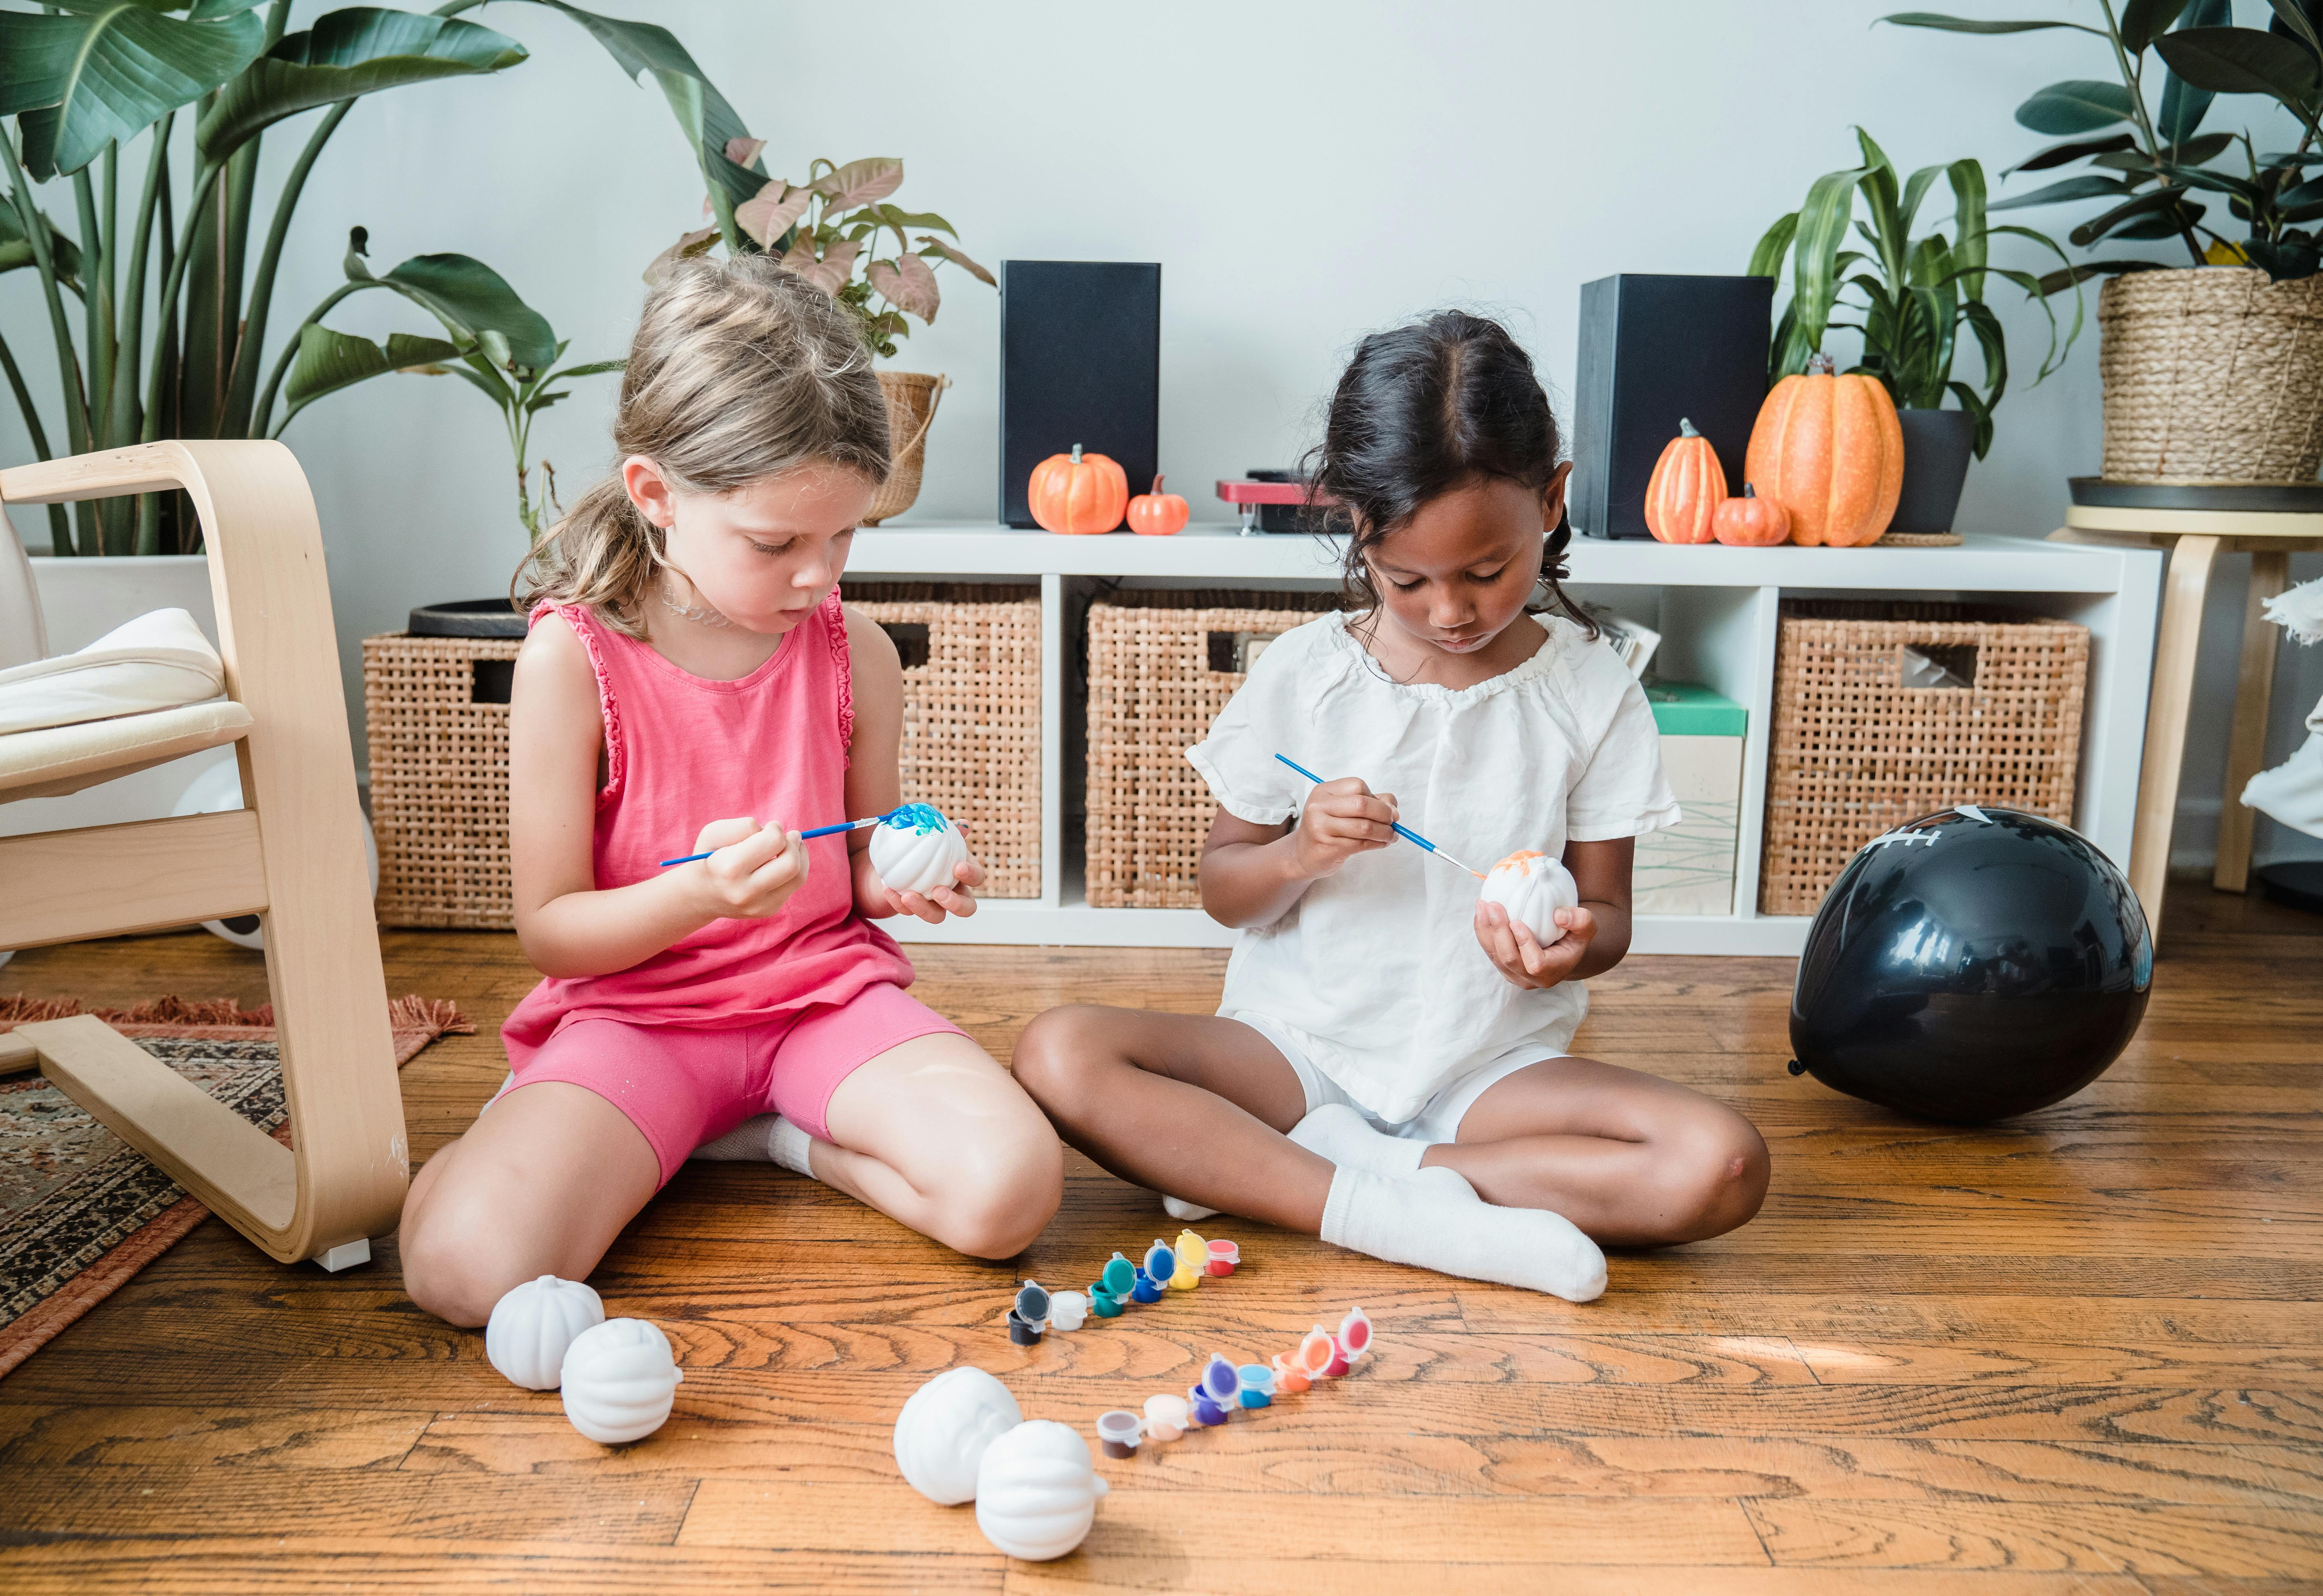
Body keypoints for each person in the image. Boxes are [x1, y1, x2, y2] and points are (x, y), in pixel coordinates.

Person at [1012, 312, 1768, 1301]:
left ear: (1552, 499)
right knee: (1059, 1052)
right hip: (1297, 1052)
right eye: (1406, 578)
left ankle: (1360, 1178)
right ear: (1356, 529)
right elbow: (1223, 889)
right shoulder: (1307, 676)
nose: (1450, 610)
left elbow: (1611, 915)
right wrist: (1298, 854)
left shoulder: (1591, 690)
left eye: (1487, 572)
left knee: (1721, 1162)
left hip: (1490, 1069)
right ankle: (1378, 1210)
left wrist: (1570, 944)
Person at [402, 256, 1061, 1325]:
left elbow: (850, 870)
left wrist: (897, 879)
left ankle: (784, 1140)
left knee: (1010, 1193)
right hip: (637, 1022)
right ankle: (562, 1140)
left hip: (820, 1005)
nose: (819, 576)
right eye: (777, 543)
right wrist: (698, 897)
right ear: (656, 495)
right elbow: (553, 933)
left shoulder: (858, 653)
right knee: (464, 1273)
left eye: (845, 535)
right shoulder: (573, 662)